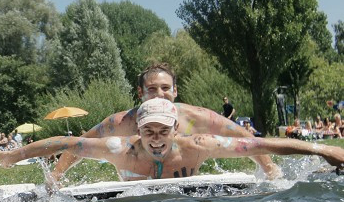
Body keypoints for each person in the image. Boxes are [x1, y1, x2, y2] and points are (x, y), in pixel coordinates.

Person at [0, 98, 344, 181]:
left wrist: (321, 148)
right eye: (148, 131)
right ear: (138, 131)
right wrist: (15, 156)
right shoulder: (120, 149)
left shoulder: (200, 145)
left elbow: (259, 144)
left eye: (164, 131)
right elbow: (66, 143)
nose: (156, 139)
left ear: (176, 130)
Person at [48, 63, 280, 182]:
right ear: (140, 93)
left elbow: (244, 138)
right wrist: (55, 181)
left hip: (183, 200)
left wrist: (270, 173)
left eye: (165, 88)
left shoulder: (195, 116)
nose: (159, 94)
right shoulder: (121, 122)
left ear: (175, 91)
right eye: (151, 89)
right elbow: (76, 145)